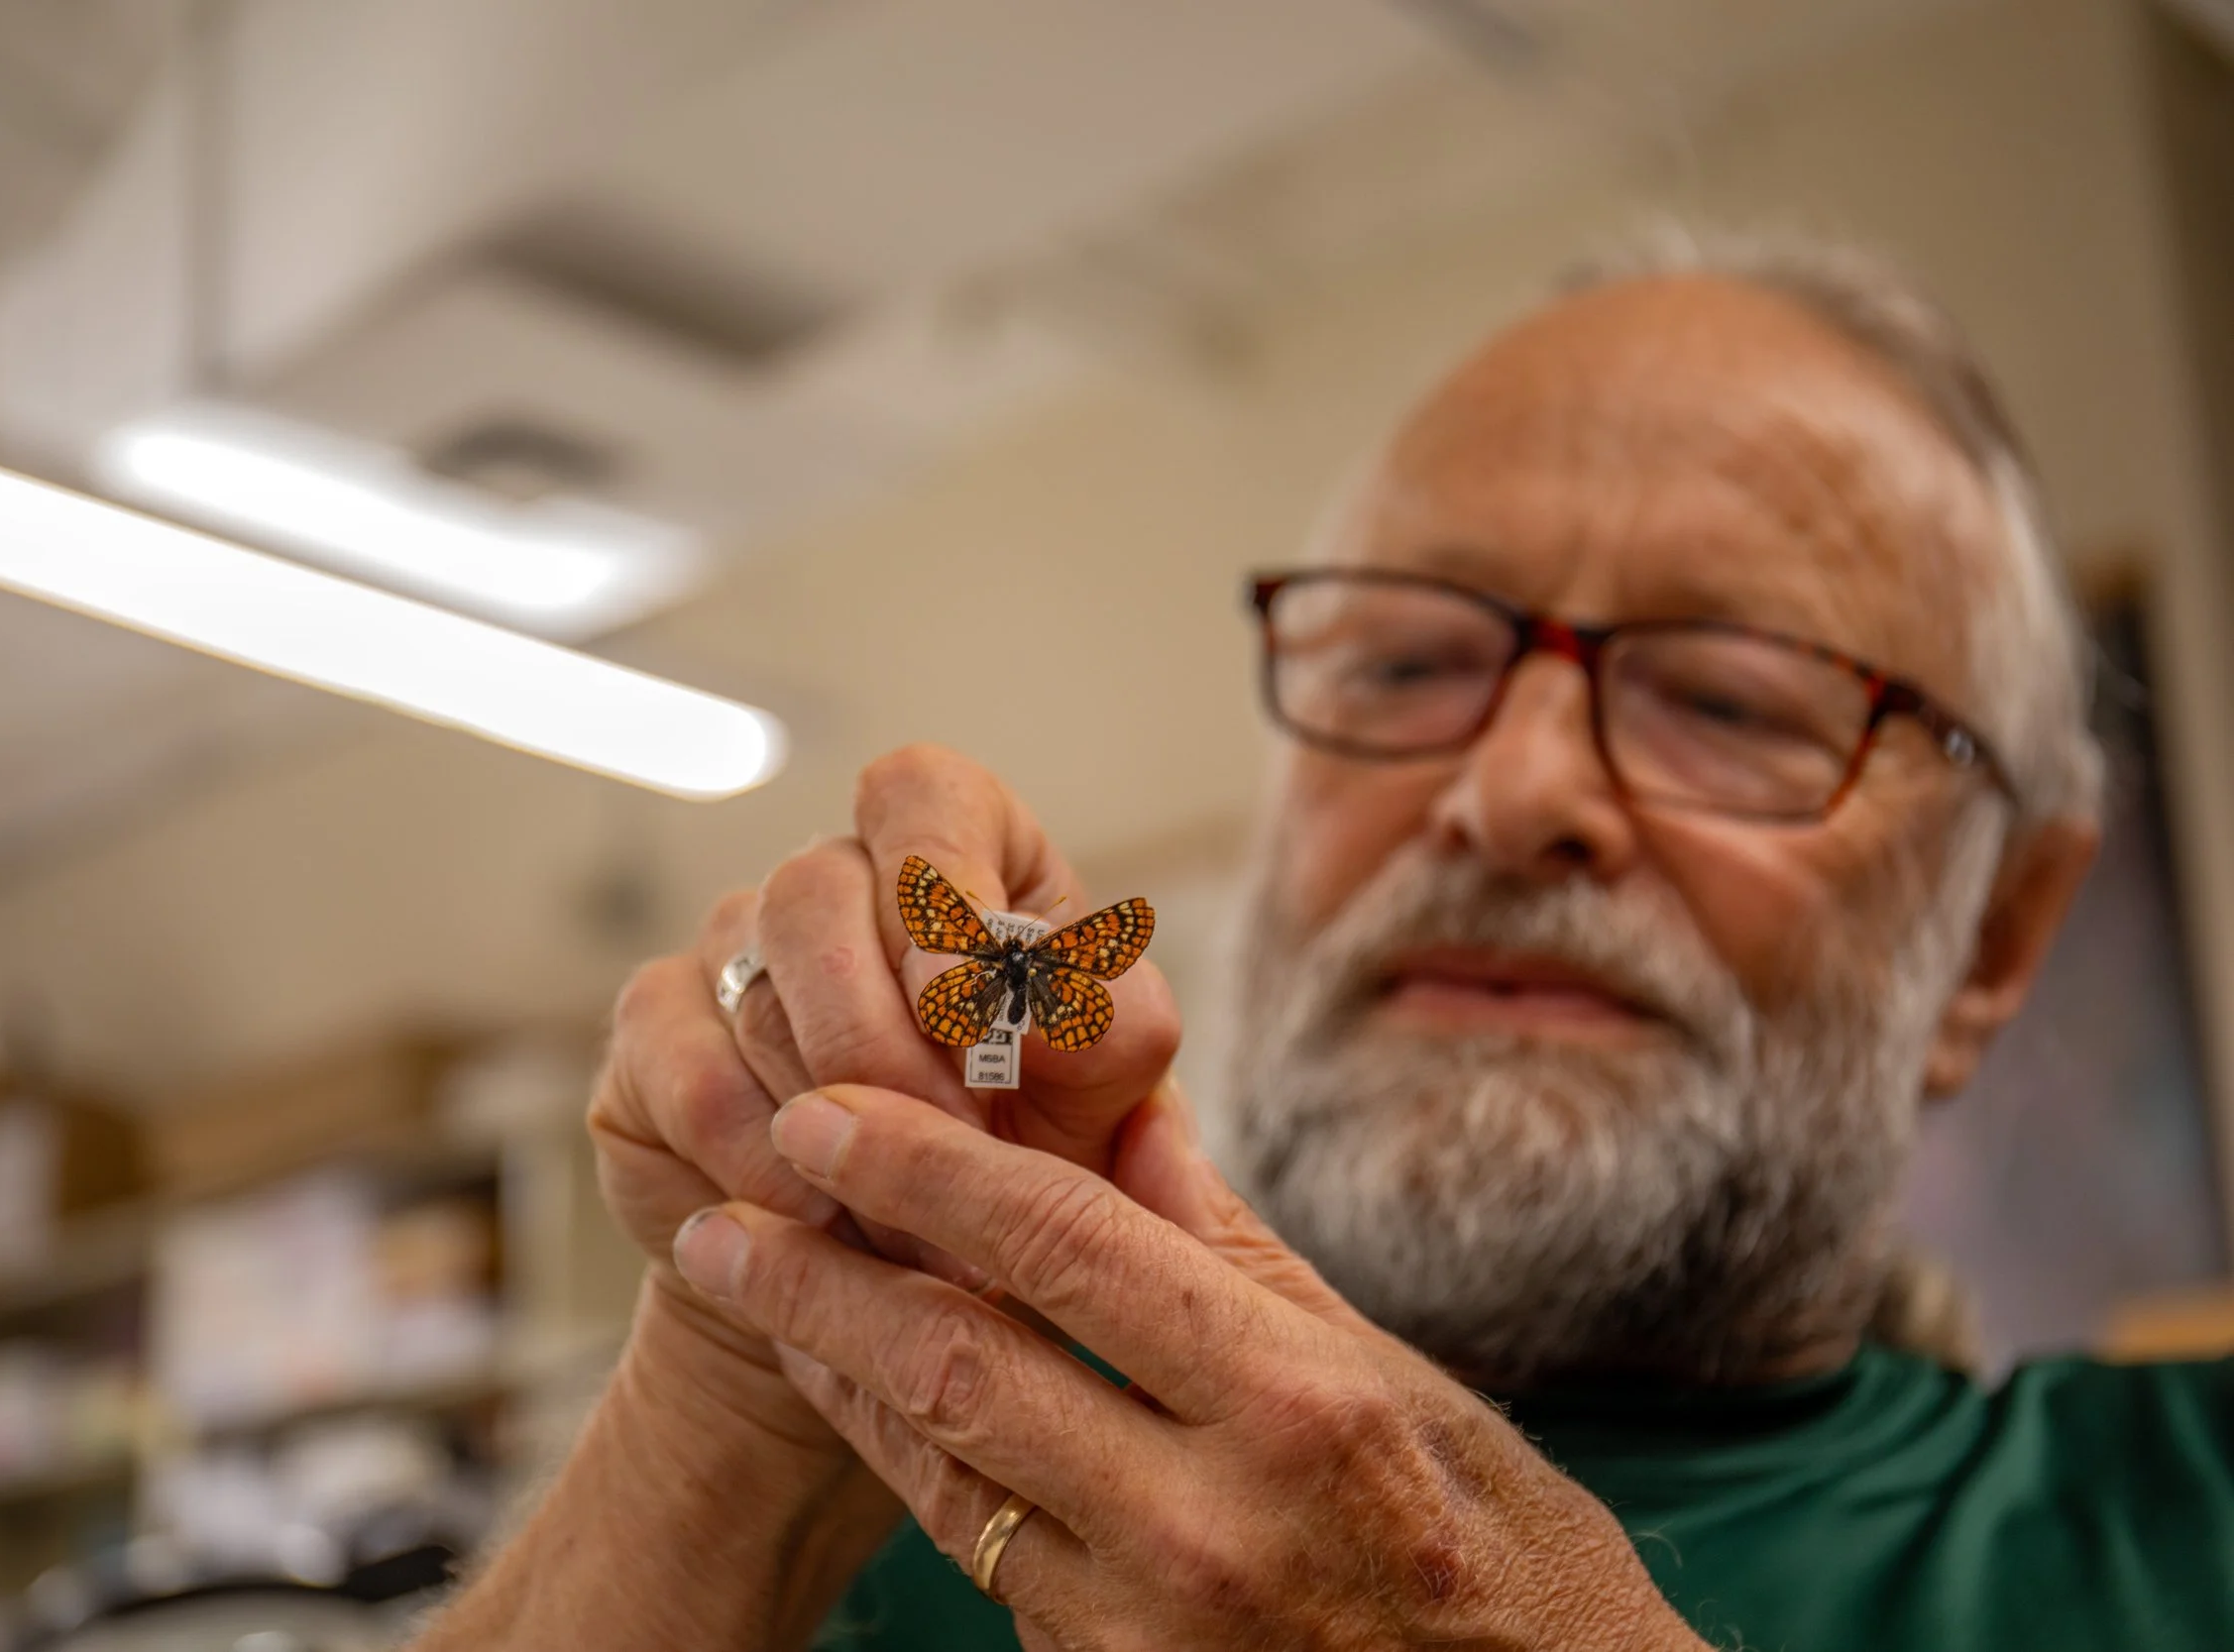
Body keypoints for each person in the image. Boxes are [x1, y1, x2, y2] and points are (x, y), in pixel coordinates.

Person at [414, 231, 2234, 1651]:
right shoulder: (894, 1493)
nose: (1509, 788)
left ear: (1995, 933)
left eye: (1732, 698)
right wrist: (724, 1413)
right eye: (1412, 661)